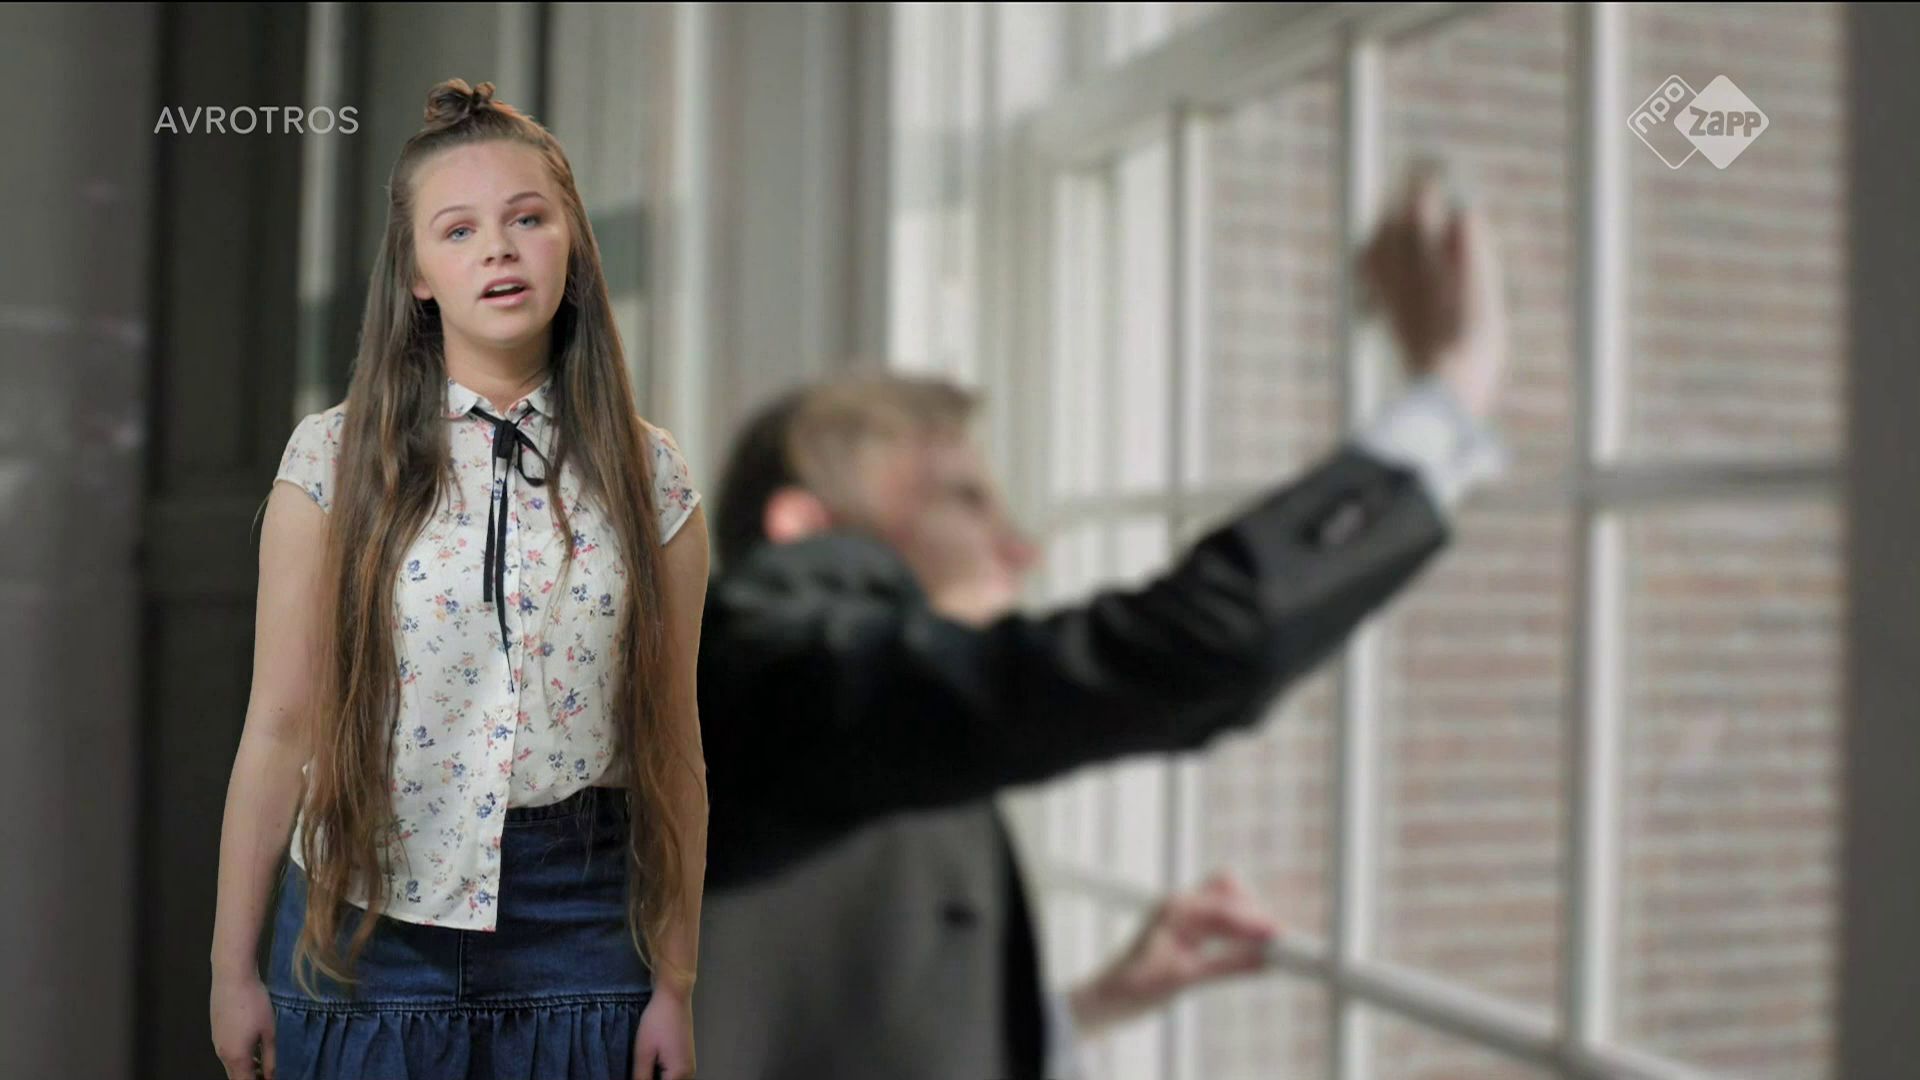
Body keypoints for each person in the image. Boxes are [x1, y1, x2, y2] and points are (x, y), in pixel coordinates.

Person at [690, 168, 1510, 1080]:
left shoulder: (831, 722)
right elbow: (1186, 649)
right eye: (966, 499)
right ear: (805, 526)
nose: (1019, 548)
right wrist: (1449, 398)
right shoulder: (762, 668)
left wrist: (1089, 1007)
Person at [207, 79, 709, 1080]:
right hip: (361, 920)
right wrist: (231, 970)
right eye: (460, 230)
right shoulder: (332, 459)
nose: (499, 250)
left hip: (581, 918)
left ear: (571, 246)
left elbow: (674, 745)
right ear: (419, 274)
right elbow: (278, 727)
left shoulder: (649, 472)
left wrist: (676, 984)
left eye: (528, 219)